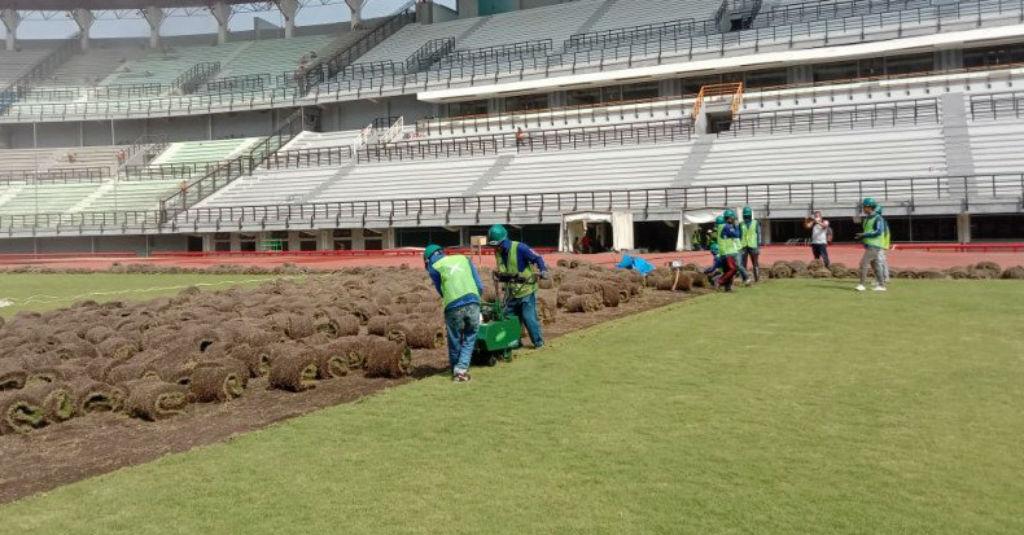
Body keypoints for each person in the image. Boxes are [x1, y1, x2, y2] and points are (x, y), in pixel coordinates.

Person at [424, 244, 484, 382]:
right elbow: (479, 285)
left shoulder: (434, 268)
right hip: (473, 301)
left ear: (428, 259)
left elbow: (441, 290)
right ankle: (461, 369)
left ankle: (455, 370)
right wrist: (476, 299)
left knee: (454, 339)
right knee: (470, 336)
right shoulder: (464, 259)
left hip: (453, 305)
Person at [488, 224, 548, 348]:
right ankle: (515, 342)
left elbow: (537, 258)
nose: (496, 248)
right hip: (511, 291)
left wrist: (543, 270)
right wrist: (499, 274)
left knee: (528, 317)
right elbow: (503, 268)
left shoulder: (520, 248)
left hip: (526, 289)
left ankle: (538, 343)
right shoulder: (498, 252)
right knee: (510, 318)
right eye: (494, 246)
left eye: (497, 245)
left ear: (504, 241)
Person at [854, 198, 891, 292]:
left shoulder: (878, 218)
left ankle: (862, 285)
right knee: (875, 266)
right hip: (869, 244)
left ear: (870, 207)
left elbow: (878, 231)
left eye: (864, 207)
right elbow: (868, 230)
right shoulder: (866, 218)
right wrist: (862, 237)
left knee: (863, 263)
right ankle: (881, 286)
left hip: (875, 245)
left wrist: (864, 235)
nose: (863, 208)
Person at [717, 212, 742, 292]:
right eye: (733, 218)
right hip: (728, 252)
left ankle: (727, 288)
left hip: (723, 251)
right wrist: (737, 226)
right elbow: (737, 235)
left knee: (727, 270)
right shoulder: (727, 226)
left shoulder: (721, 226)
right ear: (729, 218)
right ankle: (719, 281)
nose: (734, 219)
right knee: (733, 269)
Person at [739, 206, 762, 282]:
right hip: (743, 246)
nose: (746, 217)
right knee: (743, 264)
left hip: (753, 245)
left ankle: (757, 278)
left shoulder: (755, 223)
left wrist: (759, 246)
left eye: (747, 215)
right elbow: (739, 235)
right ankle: (745, 279)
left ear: (750, 215)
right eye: (745, 216)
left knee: (755, 263)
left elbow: (758, 234)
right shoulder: (741, 224)